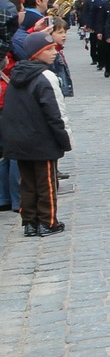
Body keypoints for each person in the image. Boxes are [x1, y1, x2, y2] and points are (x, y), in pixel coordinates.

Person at [1, 31, 73, 236]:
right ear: (35, 53)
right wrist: (64, 139)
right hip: (42, 139)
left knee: (28, 182)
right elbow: (56, 112)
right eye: (48, 49)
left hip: (20, 139)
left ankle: (29, 222)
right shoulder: (46, 77)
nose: (54, 52)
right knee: (47, 182)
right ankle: (48, 221)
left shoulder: (16, 75)